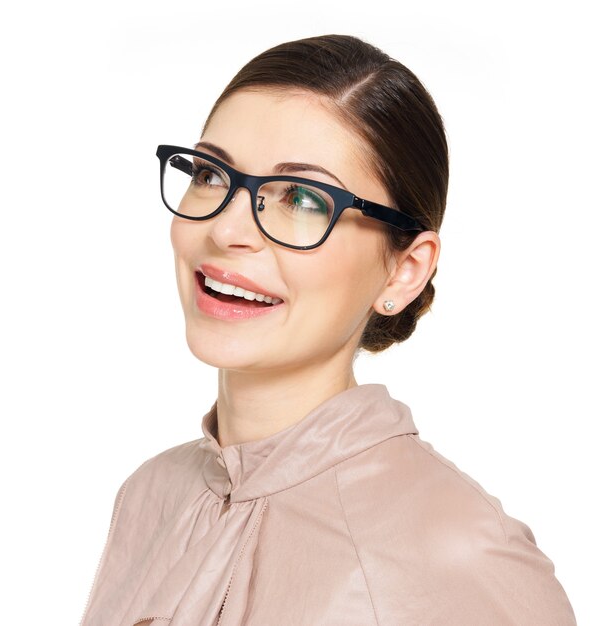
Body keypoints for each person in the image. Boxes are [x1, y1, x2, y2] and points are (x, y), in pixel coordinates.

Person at [80, 34, 576, 625]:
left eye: (303, 198)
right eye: (211, 174)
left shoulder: (457, 551)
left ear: (404, 269)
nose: (228, 229)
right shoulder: (151, 494)